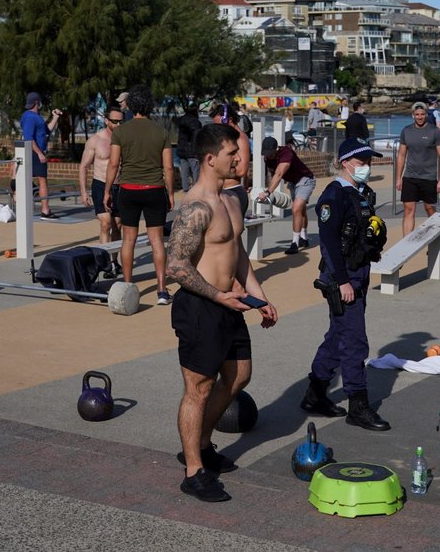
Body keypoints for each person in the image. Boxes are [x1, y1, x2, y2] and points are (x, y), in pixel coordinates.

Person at [167, 123, 278, 502]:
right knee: (197, 388)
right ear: (211, 159)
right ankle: (194, 470)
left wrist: (258, 297)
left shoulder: (231, 200)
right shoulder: (195, 207)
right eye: (232, 153)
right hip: (200, 306)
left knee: (238, 376)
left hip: (229, 302)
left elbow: (237, 254)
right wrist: (217, 295)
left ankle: (201, 442)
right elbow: (176, 267)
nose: (239, 158)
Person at [301, 137, 390, 431]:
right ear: (345, 163)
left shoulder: (359, 193)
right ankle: (358, 405)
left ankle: (315, 394)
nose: (366, 166)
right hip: (343, 278)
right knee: (354, 342)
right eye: (361, 162)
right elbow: (328, 243)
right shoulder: (334, 195)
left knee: (338, 337)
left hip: (357, 273)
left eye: (368, 161)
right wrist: (342, 282)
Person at [104, 85, 175, 305]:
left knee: (128, 240)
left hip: (128, 190)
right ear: (150, 106)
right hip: (154, 190)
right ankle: (162, 291)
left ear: (130, 106)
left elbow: (114, 163)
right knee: (156, 241)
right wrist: (170, 193)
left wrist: (107, 190)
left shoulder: (121, 131)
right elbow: (169, 168)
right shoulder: (161, 132)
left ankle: (127, 286)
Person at [257, 135, 316, 254]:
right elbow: (272, 175)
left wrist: (268, 192)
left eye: (270, 153)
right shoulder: (267, 158)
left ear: (276, 149)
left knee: (295, 209)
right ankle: (304, 237)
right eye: (266, 153)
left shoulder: (286, 153)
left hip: (305, 180)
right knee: (301, 210)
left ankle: (295, 242)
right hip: (293, 183)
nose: (268, 155)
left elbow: (279, 173)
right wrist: (267, 189)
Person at [396, 102, 440, 236]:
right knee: (408, 209)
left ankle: (435, 238)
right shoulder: (406, 131)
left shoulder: (435, 132)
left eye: (422, 114)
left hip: (429, 177)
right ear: (413, 115)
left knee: (429, 208)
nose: (420, 117)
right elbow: (401, 155)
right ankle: (406, 243)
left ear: (426, 115)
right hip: (410, 176)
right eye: (417, 114)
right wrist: (398, 178)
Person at [79, 107, 122, 245]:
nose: (118, 125)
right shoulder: (96, 140)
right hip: (100, 184)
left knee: (118, 224)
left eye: (121, 121)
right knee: (105, 223)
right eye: (115, 121)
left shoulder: (124, 140)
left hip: (119, 186)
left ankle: (114, 261)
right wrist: (84, 192)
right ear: (106, 121)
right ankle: (104, 261)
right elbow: (83, 166)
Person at [19, 92, 62, 220]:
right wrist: (39, 153)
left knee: (33, 180)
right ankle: (45, 210)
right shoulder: (30, 117)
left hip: (37, 151)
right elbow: (28, 138)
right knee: (41, 180)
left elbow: (46, 131)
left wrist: (55, 117)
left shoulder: (35, 116)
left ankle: (35, 208)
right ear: (37, 102)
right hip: (34, 152)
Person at [210, 103, 250, 217]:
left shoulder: (240, 139)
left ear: (229, 120)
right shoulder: (225, 139)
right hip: (220, 191)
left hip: (233, 191)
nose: (217, 129)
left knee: (232, 233)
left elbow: (242, 170)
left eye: (219, 125)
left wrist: (218, 170)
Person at [176, 105, 202, 192]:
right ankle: (196, 188)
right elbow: (197, 137)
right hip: (192, 150)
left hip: (181, 149)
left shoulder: (181, 120)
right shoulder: (196, 122)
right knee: (195, 170)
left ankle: (185, 188)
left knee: (184, 170)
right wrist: (197, 150)